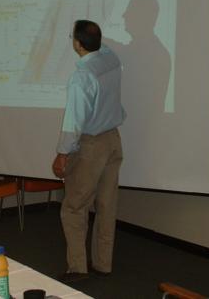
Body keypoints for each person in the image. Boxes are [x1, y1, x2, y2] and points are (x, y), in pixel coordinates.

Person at [52, 19, 125, 282]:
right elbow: (101, 46)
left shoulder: (81, 77)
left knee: (74, 207)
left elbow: (74, 122)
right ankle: (103, 264)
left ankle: (77, 268)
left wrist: (62, 154)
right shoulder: (111, 59)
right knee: (106, 205)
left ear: (77, 43)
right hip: (113, 140)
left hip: (91, 146)